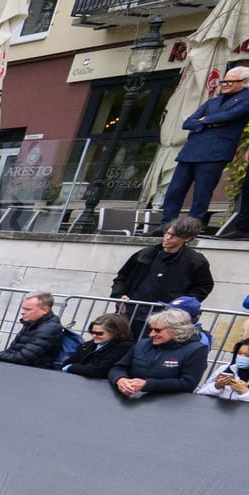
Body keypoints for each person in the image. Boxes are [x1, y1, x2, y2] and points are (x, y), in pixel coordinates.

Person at [161, 67, 249, 225]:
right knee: (175, 190)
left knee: (202, 194)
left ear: (245, 83)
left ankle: (193, 228)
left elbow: (230, 116)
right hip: (191, 150)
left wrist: (203, 121)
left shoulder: (246, 99)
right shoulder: (213, 101)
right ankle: (166, 225)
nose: (225, 84)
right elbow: (188, 122)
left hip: (216, 152)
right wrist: (208, 122)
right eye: (224, 81)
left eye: (231, 81)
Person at [112, 216, 214, 315]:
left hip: (164, 316)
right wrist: (119, 295)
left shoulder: (195, 261)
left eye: (174, 236)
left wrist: (181, 304)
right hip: (131, 311)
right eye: (167, 233)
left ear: (187, 239)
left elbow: (204, 286)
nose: (168, 238)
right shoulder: (145, 253)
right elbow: (122, 277)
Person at [110, 309, 208, 398]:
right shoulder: (142, 344)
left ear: (175, 330)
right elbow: (118, 367)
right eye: (151, 329)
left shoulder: (196, 350)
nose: (151, 334)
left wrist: (147, 385)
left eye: (157, 330)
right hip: (132, 398)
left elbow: (188, 383)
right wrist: (120, 379)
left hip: (169, 403)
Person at [0, 292, 67, 367]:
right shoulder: (33, 323)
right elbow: (14, 350)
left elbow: (24, 358)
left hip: (32, 371)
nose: (23, 312)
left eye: (28, 309)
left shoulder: (50, 328)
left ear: (45, 310)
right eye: (23, 309)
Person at [60, 313, 133, 380]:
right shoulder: (90, 344)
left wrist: (71, 367)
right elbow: (69, 361)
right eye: (92, 332)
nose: (94, 336)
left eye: (99, 333)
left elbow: (99, 371)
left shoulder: (124, 347)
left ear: (115, 332)